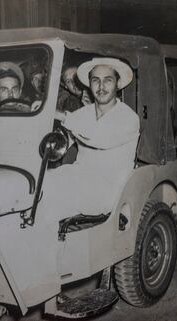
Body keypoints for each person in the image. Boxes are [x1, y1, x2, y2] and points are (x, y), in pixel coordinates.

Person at [50, 57, 140, 215]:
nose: (101, 87)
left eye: (108, 80)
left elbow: (100, 138)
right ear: (89, 84)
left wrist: (60, 115)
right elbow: (63, 139)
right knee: (38, 184)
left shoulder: (128, 117)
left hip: (110, 190)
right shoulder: (84, 113)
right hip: (80, 179)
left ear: (118, 84)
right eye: (95, 80)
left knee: (50, 204)